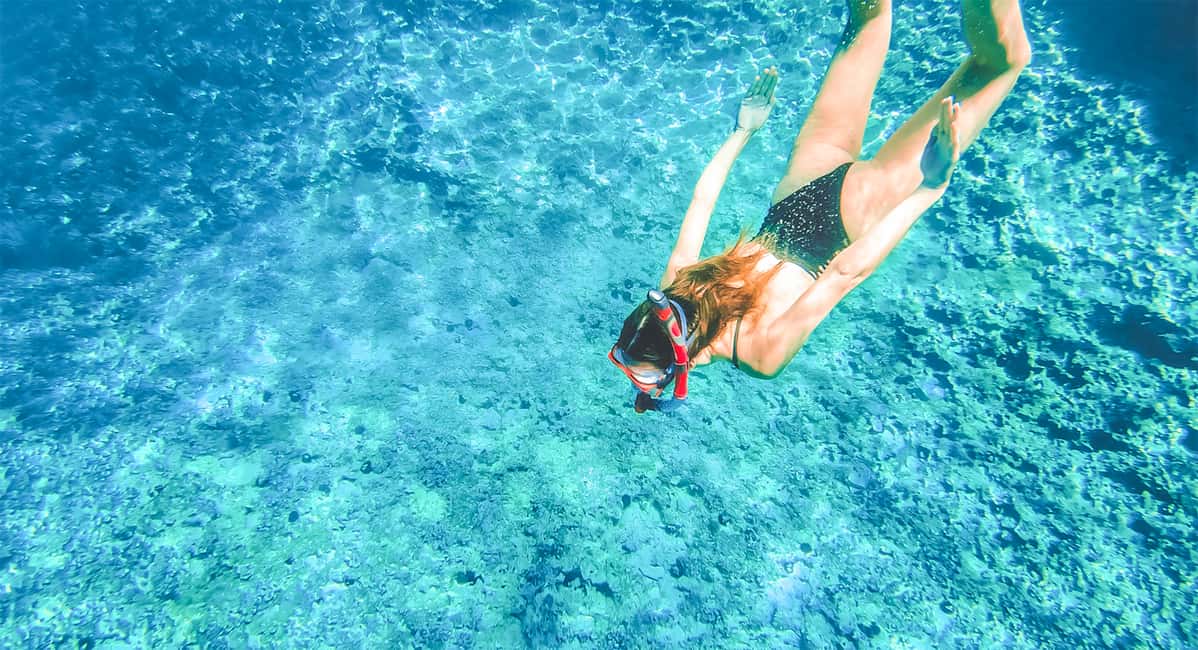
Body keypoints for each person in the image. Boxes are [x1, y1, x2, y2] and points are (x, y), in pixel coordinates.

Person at [609, 0, 1032, 412]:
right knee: (868, 19)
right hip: (797, 190)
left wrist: (930, 189)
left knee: (997, 64)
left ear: (682, 366)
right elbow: (702, 200)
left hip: (851, 219)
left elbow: (844, 274)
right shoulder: (677, 286)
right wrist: (742, 132)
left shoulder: (759, 356)